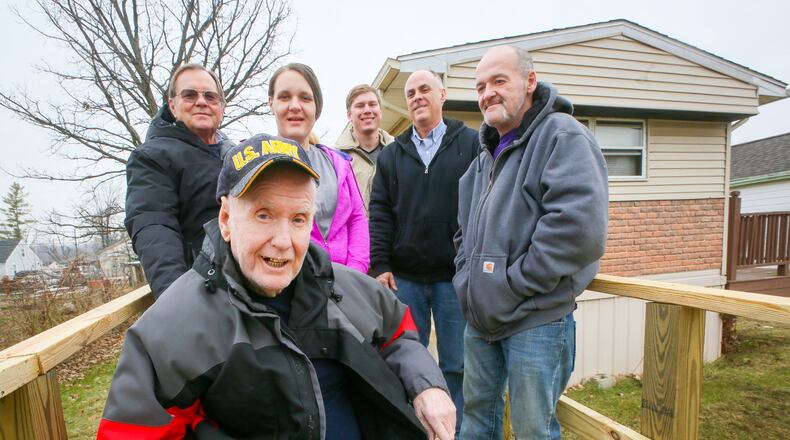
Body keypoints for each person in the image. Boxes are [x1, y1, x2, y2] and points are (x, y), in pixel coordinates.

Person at [98, 133, 456, 440]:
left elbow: (400, 332)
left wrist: (428, 386)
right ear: (226, 220)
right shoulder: (173, 328)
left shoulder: (344, 286)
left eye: (298, 219)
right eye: (263, 215)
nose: (283, 241)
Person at [454, 45, 608, 439]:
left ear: (530, 81)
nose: (488, 92)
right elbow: (461, 232)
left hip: (535, 320)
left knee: (532, 431)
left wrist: (511, 284)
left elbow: (578, 230)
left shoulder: (562, 135)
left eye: (499, 81)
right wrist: (466, 277)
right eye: (481, 86)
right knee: (474, 423)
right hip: (481, 323)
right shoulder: (483, 157)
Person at [369, 70, 479, 434]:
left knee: (456, 364)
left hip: (453, 279)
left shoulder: (471, 145)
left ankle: (454, 431)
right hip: (406, 280)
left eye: (424, 89)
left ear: (442, 95)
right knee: (407, 362)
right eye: (411, 92)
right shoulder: (391, 156)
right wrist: (381, 263)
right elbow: (380, 213)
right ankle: (417, 431)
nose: (417, 97)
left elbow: (483, 206)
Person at [124, 64, 233, 298]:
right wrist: (177, 301)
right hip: (206, 290)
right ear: (172, 105)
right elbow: (155, 228)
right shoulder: (152, 157)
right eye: (190, 94)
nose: (201, 101)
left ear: (221, 108)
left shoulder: (235, 154)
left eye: (210, 96)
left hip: (249, 288)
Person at [268, 63, 369, 273]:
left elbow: (357, 217)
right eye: (285, 97)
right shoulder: (257, 161)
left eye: (305, 98)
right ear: (271, 104)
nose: (295, 106)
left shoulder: (338, 162)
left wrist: (354, 273)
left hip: (342, 283)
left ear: (317, 108)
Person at [334, 84, 394, 211]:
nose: (367, 110)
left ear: (380, 112)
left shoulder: (399, 152)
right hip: (353, 230)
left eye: (372, 104)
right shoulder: (335, 158)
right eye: (360, 106)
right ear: (349, 115)